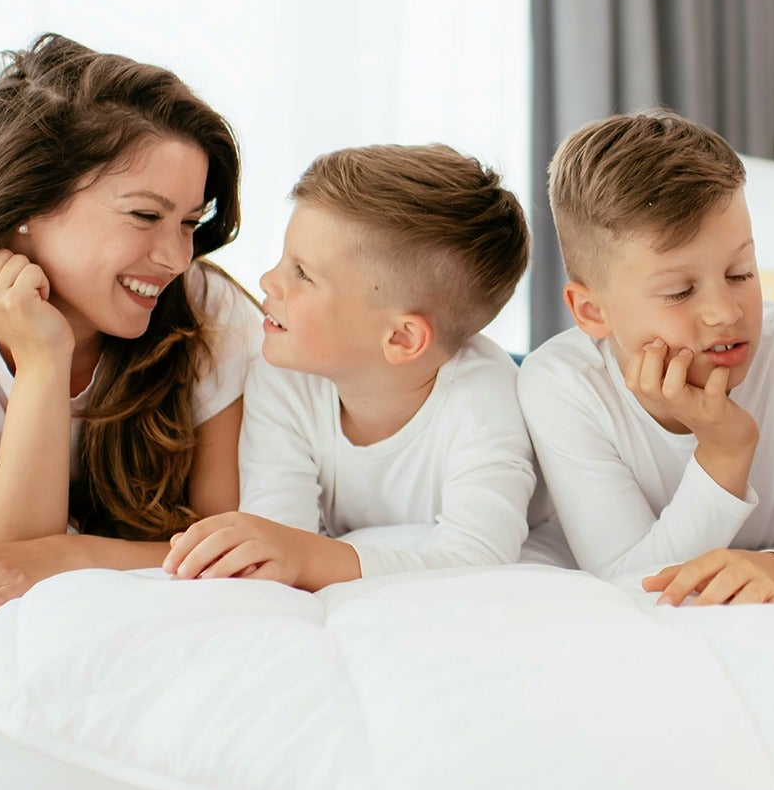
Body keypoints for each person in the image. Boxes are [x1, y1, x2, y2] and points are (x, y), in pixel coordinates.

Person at [0, 33, 263, 653]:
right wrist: (42, 361)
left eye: (189, 223)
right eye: (145, 216)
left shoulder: (205, 310)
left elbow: (232, 539)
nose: (175, 257)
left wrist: (68, 553)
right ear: (26, 205)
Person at [162, 143, 554, 587]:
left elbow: (478, 556)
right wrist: (290, 550)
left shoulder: (485, 399)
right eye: (283, 260)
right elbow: (273, 534)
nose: (268, 281)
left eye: (303, 274)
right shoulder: (282, 374)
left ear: (400, 338)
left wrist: (308, 559)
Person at [519, 110, 774, 608]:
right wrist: (724, 451)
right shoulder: (562, 385)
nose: (724, 311)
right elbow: (633, 584)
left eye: (741, 273)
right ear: (591, 311)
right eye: (679, 292)